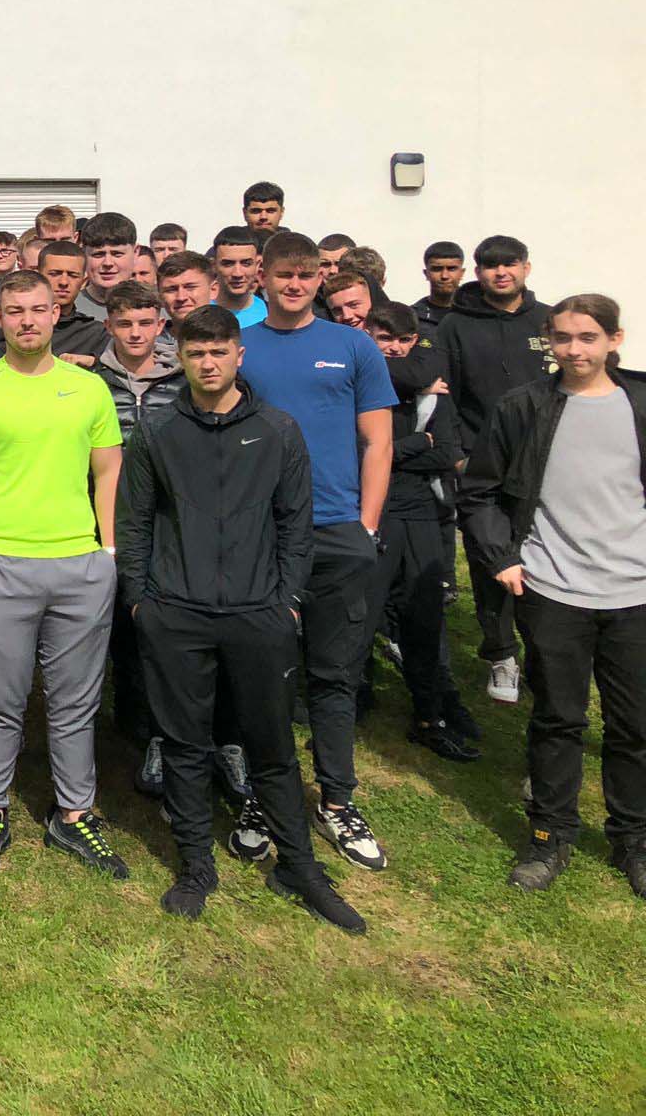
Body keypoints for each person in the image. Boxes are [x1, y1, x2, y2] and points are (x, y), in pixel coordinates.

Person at [116, 305, 367, 932]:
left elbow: (295, 523)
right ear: (182, 357)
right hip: (176, 611)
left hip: (260, 613)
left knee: (273, 745)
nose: (207, 363)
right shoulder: (159, 432)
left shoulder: (278, 430)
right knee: (184, 743)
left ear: (238, 355)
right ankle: (196, 864)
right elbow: (135, 522)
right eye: (196, 353)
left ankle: (299, 866)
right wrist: (143, 601)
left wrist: (285, 600)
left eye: (218, 352)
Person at [0, 269, 126, 878]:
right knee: (0, 699)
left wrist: (109, 553)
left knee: (75, 702)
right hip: (0, 567)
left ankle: (74, 814)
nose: (27, 320)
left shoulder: (88, 389)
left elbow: (107, 473)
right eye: (15, 310)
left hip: (79, 565)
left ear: (55, 311)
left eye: (38, 310)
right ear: (0, 314)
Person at [460, 294, 646, 900]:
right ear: (548, 341)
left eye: (588, 337)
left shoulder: (639, 403)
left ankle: (634, 839)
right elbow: (480, 492)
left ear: (614, 340)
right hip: (553, 589)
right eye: (563, 338)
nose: (575, 349)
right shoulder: (523, 407)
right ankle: (550, 836)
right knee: (558, 719)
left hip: (634, 593)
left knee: (634, 725)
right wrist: (503, 559)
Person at [238, 231, 395, 872]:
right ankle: (260, 796)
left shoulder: (353, 346)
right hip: (261, 535)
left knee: (333, 676)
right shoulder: (242, 348)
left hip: (336, 532)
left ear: (319, 280)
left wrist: (365, 527)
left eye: (307, 274)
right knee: (261, 675)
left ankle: (336, 799)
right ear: (262, 277)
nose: (295, 284)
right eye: (284, 274)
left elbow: (378, 443)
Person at [439, 234, 555, 701]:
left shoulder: (548, 320)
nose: (500, 272)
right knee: (491, 556)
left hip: (548, 460)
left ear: (527, 267)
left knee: (546, 557)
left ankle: (547, 652)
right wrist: (459, 454)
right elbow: (443, 393)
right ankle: (501, 654)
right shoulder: (455, 325)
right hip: (484, 463)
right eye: (489, 265)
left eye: (509, 264)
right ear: (477, 271)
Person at [363, 303, 478, 762]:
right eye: (383, 338)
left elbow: (447, 452)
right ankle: (350, 702)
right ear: (368, 337)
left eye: (402, 340)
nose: (393, 347)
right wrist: (416, 443)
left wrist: (395, 450)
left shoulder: (435, 395)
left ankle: (430, 714)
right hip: (372, 508)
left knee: (423, 615)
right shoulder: (361, 386)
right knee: (362, 612)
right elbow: (360, 452)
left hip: (420, 512)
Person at [90, 281, 186, 794]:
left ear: (161, 325)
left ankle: (154, 730)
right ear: (108, 325)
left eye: (145, 323)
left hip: (168, 518)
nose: (134, 333)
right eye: (124, 323)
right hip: (101, 513)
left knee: (156, 622)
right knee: (110, 621)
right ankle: (120, 720)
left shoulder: (183, 378)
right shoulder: (89, 378)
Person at [0, 239, 109, 360]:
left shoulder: (95, 334)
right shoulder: (2, 325)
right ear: (39, 274)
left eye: (73, 275)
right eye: (55, 274)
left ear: (84, 280)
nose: (64, 282)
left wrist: (95, 364)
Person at [72, 213, 138, 321]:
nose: (108, 263)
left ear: (135, 252)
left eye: (117, 254)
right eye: (98, 254)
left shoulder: (159, 310)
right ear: (83, 254)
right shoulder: (66, 312)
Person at [211, 226, 270, 328]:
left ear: (257, 265)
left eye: (246, 263)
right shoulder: (198, 312)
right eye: (228, 264)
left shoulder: (272, 313)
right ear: (214, 266)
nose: (237, 273)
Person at [413, 241, 464, 337]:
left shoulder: (475, 314)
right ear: (426, 273)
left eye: (451, 268)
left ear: (462, 273)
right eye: (437, 269)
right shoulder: (412, 318)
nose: (444, 276)